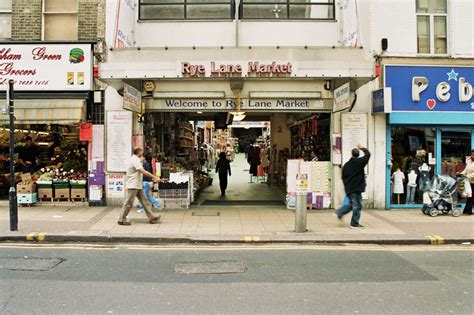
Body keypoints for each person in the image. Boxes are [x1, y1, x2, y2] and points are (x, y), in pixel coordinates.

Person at [118, 147, 161, 226]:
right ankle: (121, 219)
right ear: (139, 152)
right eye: (141, 151)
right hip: (133, 184)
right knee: (128, 202)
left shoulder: (135, 159)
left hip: (137, 184)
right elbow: (142, 171)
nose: (142, 152)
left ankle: (151, 217)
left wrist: (141, 160)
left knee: (145, 202)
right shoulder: (135, 160)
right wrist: (154, 177)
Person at [336, 144, 371, 228]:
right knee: (357, 206)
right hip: (357, 188)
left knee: (353, 204)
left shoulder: (346, 165)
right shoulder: (360, 162)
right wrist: (362, 148)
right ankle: (354, 223)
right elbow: (368, 154)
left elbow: (343, 177)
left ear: (351, 154)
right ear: (358, 154)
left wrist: (347, 186)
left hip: (350, 188)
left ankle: (340, 212)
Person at [459, 150, 474, 215]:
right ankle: (467, 211)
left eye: (473, 155)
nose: (472, 156)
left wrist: (467, 176)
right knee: (469, 196)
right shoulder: (470, 162)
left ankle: (468, 211)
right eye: (471, 154)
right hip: (469, 182)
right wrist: (460, 174)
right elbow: (465, 170)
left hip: (473, 182)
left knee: (470, 197)